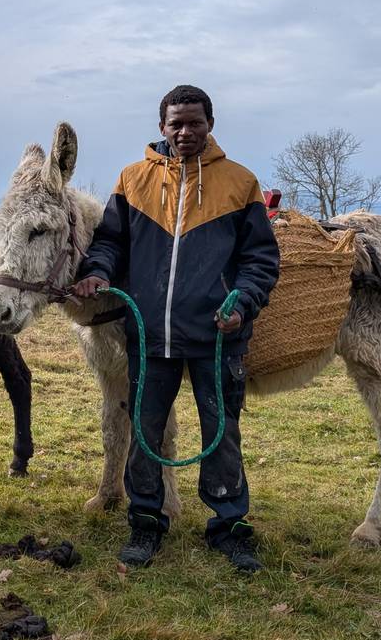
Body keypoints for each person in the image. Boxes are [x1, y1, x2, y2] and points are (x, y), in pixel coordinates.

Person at [72, 85, 280, 573]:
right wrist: (97, 270)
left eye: (195, 122)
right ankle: (146, 523)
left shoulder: (240, 182)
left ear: (211, 125)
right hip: (151, 334)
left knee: (222, 433)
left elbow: (260, 259)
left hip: (217, 336)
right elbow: (110, 242)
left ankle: (229, 527)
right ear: (162, 126)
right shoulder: (132, 180)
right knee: (145, 431)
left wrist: (242, 302)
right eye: (176, 123)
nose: (185, 132)